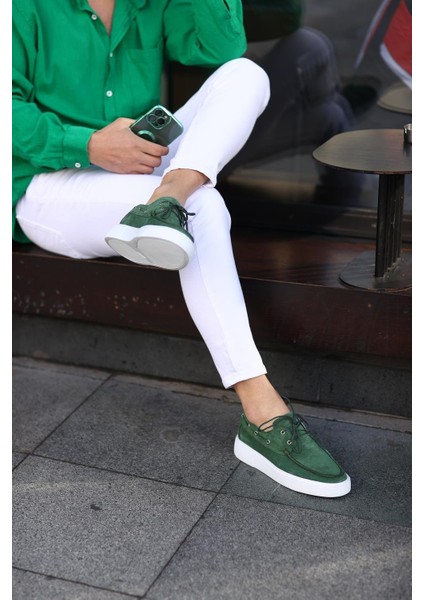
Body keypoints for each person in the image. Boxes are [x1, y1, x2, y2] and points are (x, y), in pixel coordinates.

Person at [12, 0, 350, 498]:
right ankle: (261, 410)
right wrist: (88, 145)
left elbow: (222, 47)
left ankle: (167, 198)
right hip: (47, 183)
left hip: (141, 166)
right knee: (204, 206)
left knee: (246, 74)